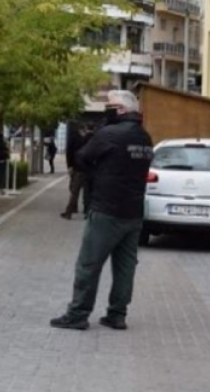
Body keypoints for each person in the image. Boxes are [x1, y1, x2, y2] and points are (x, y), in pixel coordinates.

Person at [51, 90, 154, 331]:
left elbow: (81, 158)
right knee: (125, 267)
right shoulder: (144, 137)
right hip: (134, 212)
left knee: (89, 263)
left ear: (120, 110)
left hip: (107, 210)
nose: (106, 109)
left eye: (110, 106)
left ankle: (78, 314)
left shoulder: (109, 134)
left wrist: (95, 169)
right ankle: (117, 314)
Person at [61, 123, 92, 219]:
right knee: (87, 191)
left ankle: (70, 211)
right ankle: (86, 211)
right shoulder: (93, 138)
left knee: (75, 190)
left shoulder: (79, 139)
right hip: (89, 169)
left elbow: (70, 152)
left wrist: (70, 166)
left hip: (79, 168)